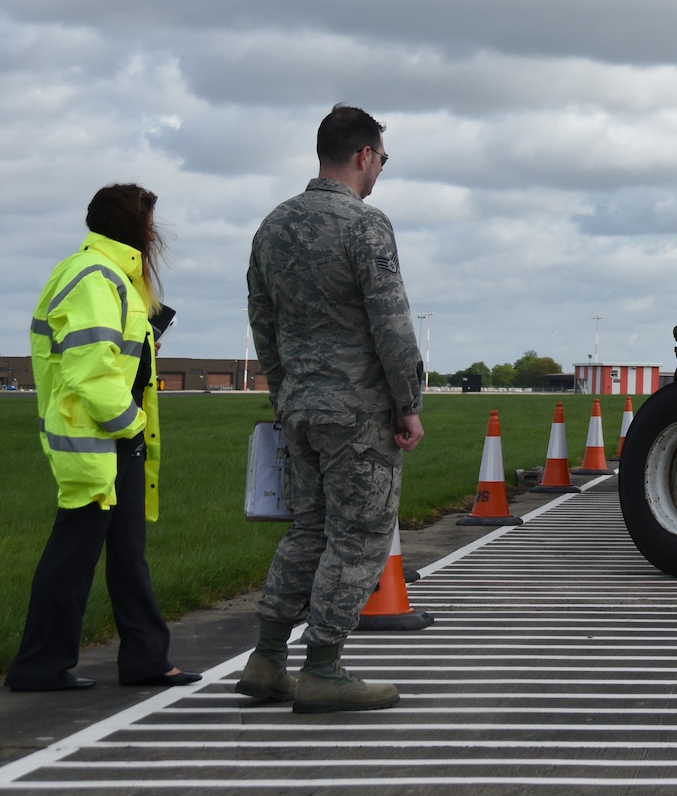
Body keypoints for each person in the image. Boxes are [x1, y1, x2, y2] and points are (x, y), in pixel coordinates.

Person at [239, 105, 424, 714]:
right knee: (360, 535)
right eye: (382, 160)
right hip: (358, 412)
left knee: (310, 530)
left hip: (300, 407)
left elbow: (262, 325)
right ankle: (323, 667)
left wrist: (283, 392)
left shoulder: (272, 227)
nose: (380, 173)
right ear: (364, 155)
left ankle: (267, 659)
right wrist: (408, 404)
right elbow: (391, 324)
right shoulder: (365, 226)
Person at [7, 184, 198, 693]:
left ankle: (145, 658)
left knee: (127, 554)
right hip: (97, 439)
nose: (156, 231)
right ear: (135, 226)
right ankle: (39, 666)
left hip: (111, 436)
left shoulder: (116, 276)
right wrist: (129, 424)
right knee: (74, 554)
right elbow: (92, 370)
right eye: (150, 220)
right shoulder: (95, 276)